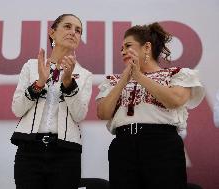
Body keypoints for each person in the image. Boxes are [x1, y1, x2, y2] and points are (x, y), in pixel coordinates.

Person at [96, 22, 205, 189]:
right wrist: (125, 78)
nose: (123, 51)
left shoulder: (176, 74)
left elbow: (175, 100)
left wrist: (139, 76)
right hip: (123, 145)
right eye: (121, 48)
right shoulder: (114, 81)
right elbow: (103, 112)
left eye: (128, 46)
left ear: (147, 47)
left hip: (162, 145)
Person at [10, 14, 93, 189]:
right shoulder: (32, 66)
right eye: (67, 27)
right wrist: (39, 83)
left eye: (78, 30)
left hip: (66, 152)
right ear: (52, 33)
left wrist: (69, 82)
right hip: (30, 150)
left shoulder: (84, 74)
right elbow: (17, 109)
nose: (73, 32)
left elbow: (79, 115)